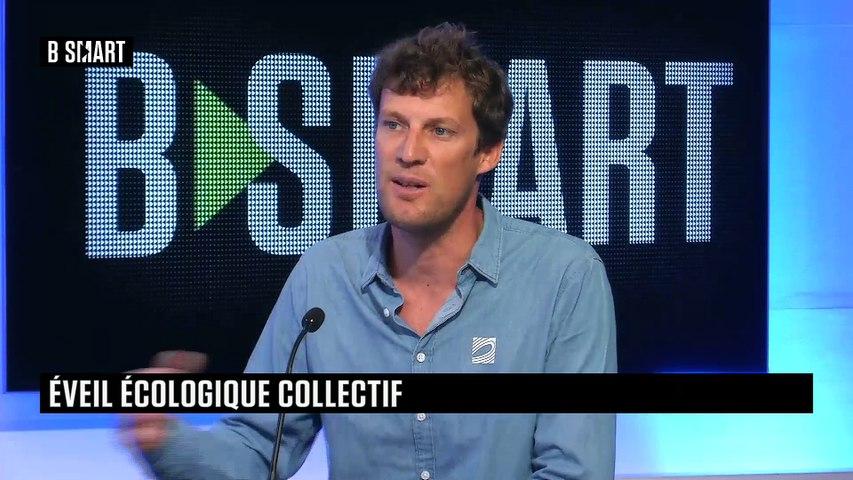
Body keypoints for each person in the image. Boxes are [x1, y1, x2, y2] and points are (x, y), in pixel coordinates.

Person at [122, 22, 617, 480]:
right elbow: (257, 448)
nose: (408, 152)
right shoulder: (325, 276)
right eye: (394, 124)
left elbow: (573, 471)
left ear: (487, 153)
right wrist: (164, 440)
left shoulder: (564, 278)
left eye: (439, 130)